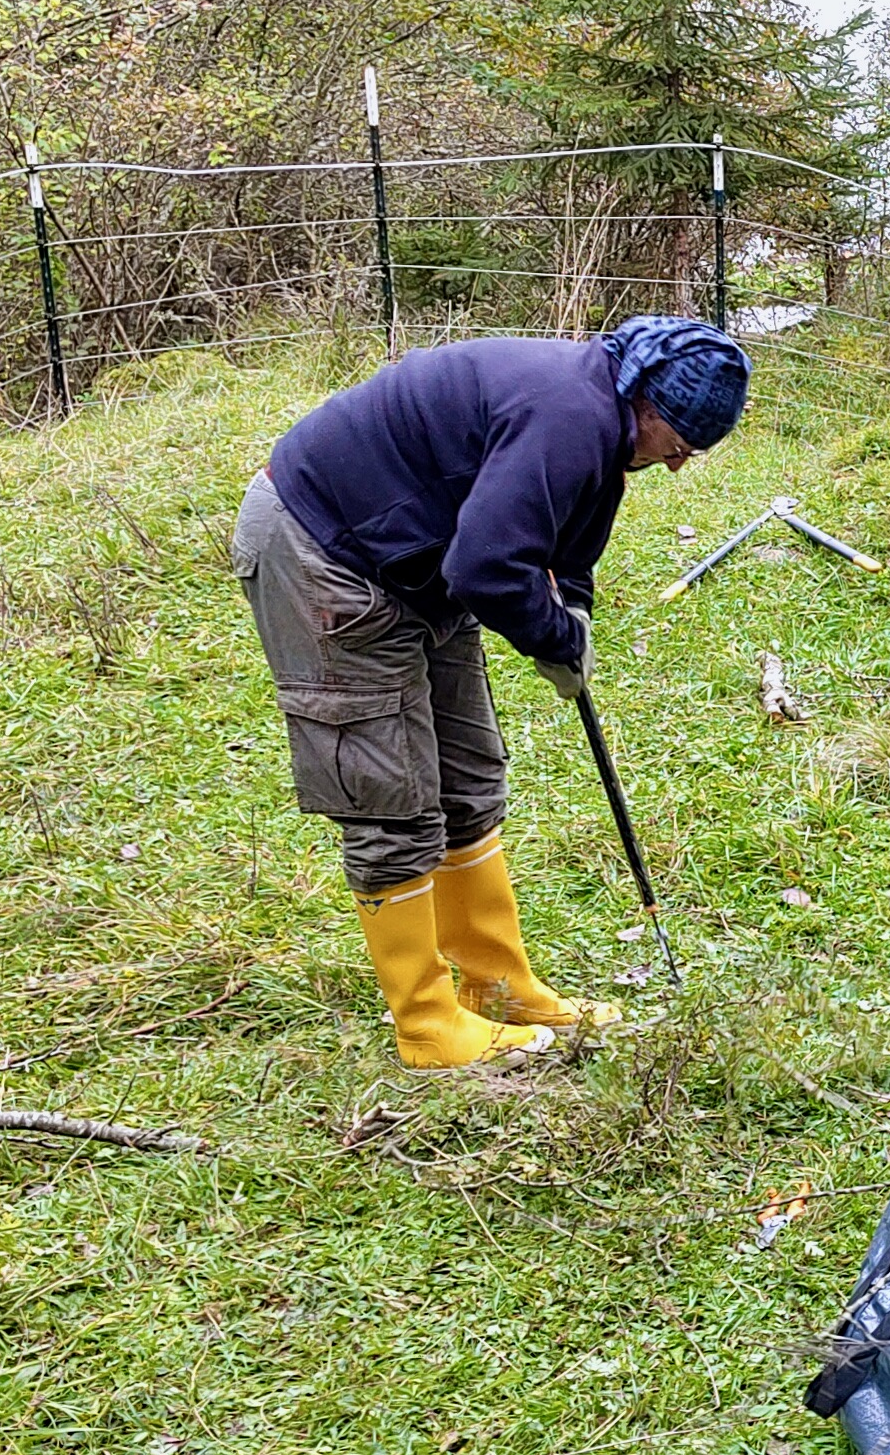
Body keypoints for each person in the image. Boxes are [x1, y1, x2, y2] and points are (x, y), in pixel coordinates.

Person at [232, 314, 751, 1068]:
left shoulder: (602, 425)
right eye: (677, 446)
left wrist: (570, 621)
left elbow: (562, 549)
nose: (676, 466)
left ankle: (497, 987)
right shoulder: (569, 416)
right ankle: (428, 1026)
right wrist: (545, 638)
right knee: (392, 796)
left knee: (468, 781)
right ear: (645, 403)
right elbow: (487, 570)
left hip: (419, 562)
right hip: (324, 552)